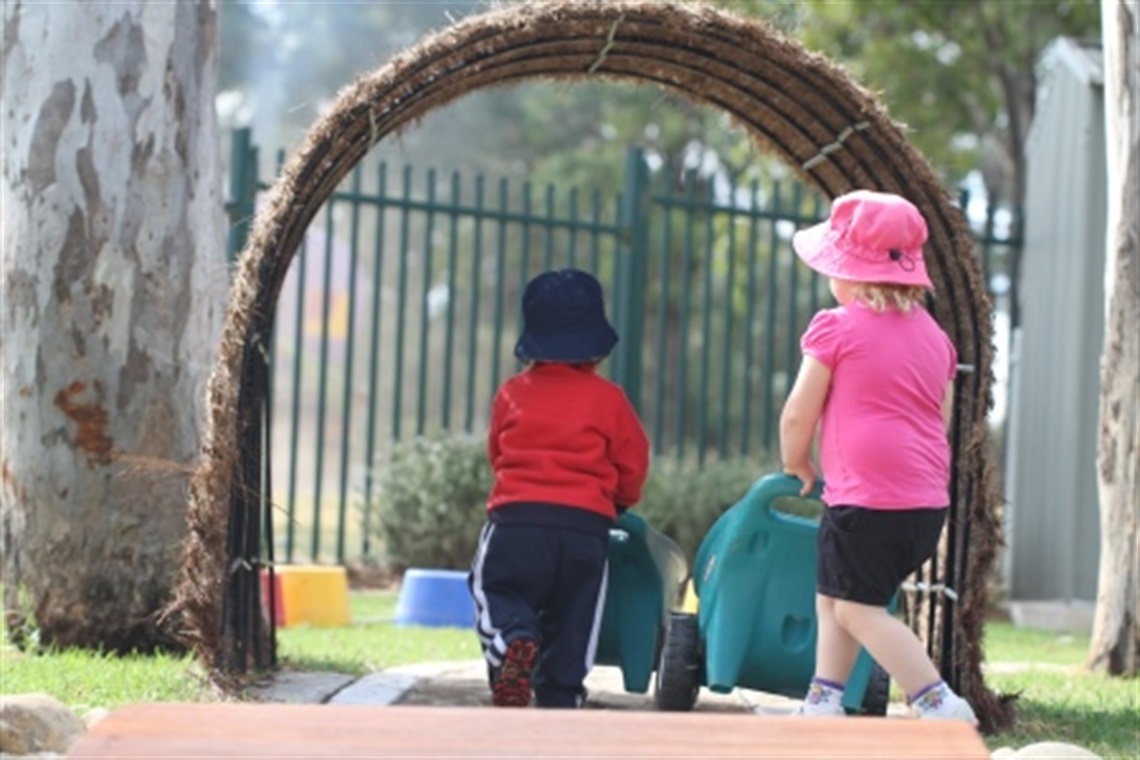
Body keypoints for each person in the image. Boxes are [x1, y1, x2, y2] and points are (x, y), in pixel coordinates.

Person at [779, 190, 978, 724]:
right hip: (923, 502)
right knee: (836, 594)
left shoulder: (836, 327)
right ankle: (823, 698)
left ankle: (935, 700)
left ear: (850, 275)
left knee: (855, 606)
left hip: (865, 500)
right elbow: (939, 418)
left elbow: (799, 413)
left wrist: (797, 461)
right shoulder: (937, 340)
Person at [467, 268, 650, 709]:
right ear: (597, 347)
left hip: (518, 522)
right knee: (575, 618)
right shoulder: (610, 399)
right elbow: (633, 462)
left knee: (493, 588)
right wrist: (619, 498)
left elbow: (497, 454)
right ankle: (562, 696)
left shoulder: (512, 393)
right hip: (585, 529)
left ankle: (513, 640)